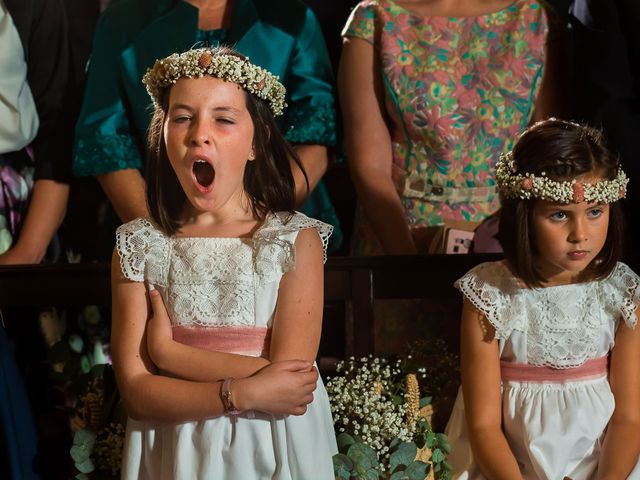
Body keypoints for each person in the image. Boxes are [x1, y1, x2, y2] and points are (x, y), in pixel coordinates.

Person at [112, 46, 337, 478]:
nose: (200, 134)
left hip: (269, 444)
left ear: (257, 142)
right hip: (175, 446)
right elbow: (138, 392)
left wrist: (169, 354)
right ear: (162, 135)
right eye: (182, 118)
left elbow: (292, 382)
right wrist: (244, 392)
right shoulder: (138, 245)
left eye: (224, 118)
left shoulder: (293, 239)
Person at [445, 119, 640, 479]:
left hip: (605, 467)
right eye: (560, 215)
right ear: (525, 215)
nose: (580, 234)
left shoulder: (621, 291)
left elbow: (629, 417)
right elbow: (485, 426)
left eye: (595, 212)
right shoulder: (489, 295)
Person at [73, 0, 342, 258]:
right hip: (157, 220)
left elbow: (317, 129)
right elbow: (105, 139)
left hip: (279, 223)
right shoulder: (122, 21)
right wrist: (160, 240)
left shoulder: (291, 18)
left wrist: (263, 223)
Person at [339, 0, 559, 256]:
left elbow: (550, 152)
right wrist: (406, 264)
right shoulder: (375, 17)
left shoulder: (535, 17)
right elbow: (369, 166)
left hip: (509, 239)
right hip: (399, 236)